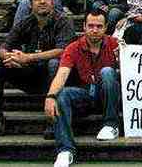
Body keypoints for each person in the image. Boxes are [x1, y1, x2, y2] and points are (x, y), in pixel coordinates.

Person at [0, 0, 76, 138]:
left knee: (54, 63)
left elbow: (63, 51)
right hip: (32, 76)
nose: (42, 1)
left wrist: (27, 58)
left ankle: (54, 121)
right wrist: (10, 57)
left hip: (59, 78)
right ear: (30, 3)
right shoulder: (26, 22)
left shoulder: (64, 20)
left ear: (52, 1)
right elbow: (4, 46)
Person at [46, 9, 120, 167]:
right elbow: (62, 74)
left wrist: (123, 57)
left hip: (106, 95)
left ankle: (111, 125)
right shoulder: (73, 47)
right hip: (85, 94)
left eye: (99, 26)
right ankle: (65, 150)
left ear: (106, 27)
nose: (94, 30)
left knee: (107, 72)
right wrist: (50, 96)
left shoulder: (115, 44)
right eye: (91, 26)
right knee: (62, 94)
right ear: (84, 27)